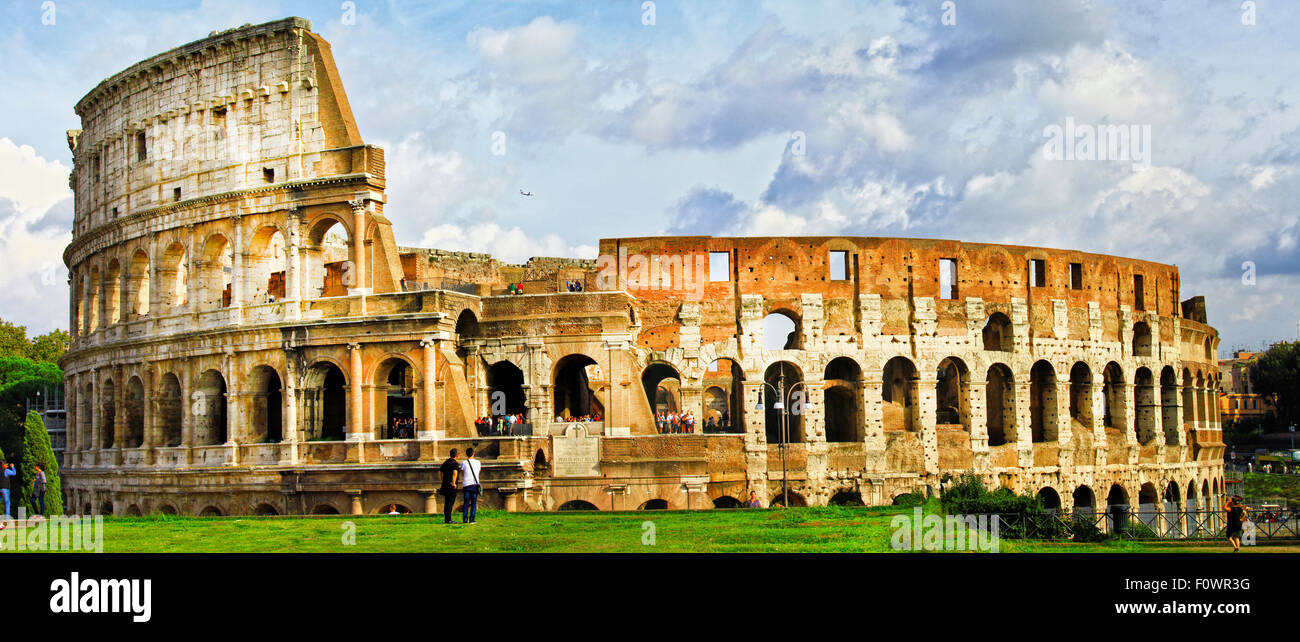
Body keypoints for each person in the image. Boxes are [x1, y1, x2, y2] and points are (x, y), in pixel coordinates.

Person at [460, 447, 482, 524]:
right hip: (474, 484)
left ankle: (465, 519)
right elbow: (478, 472)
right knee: (474, 502)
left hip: (466, 484)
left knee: (466, 502)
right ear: (473, 454)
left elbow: (462, 473)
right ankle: (472, 519)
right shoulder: (478, 462)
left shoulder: (464, 463)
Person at [439, 448, 460, 524]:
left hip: (445, 485)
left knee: (447, 502)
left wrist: (442, 480)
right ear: (457, 455)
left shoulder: (446, 462)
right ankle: (449, 519)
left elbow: (440, 472)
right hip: (451, 486)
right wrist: (454, 483)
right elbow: (455, 473)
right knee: (450, 503)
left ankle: (446, 518)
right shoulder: (455, 463)